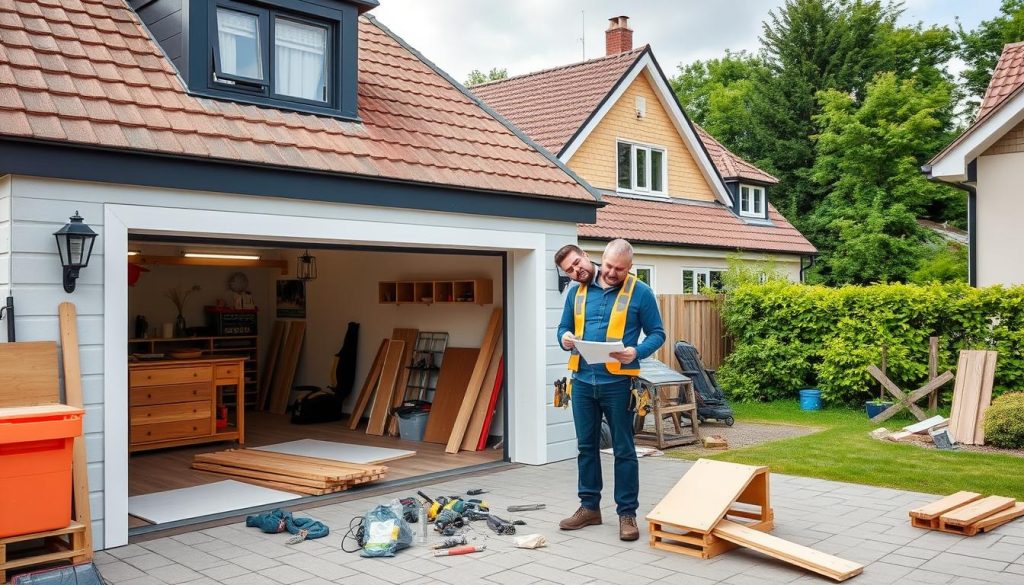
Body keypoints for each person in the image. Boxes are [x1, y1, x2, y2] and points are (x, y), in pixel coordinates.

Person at [554, 239, 665, 541]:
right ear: (600, 258)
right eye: (610, 266)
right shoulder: (576, 290)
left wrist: (637, 352)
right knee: (585, 446)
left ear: (630, 267)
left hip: (619, 384)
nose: (612, 272)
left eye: (620, 268)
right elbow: (561, 328)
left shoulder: (640, 293)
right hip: (582, 383)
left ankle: (626, 513)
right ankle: (589, 507)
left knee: (624, 449)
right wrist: (564, 337)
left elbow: (658, 334)